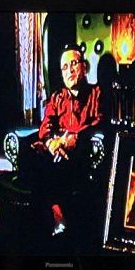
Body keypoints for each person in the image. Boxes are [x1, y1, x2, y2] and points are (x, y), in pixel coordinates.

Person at [26, 44, 102, 236]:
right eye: (65, 67)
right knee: (32, 155)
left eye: (73, 64)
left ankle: (55, 218)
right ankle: (55, 213)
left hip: (79, 153)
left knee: (57, 168)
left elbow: (97, 124)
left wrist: (70, 139)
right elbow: (46, 125)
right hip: (56, 150)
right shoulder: (57, 97)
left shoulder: (96, 94)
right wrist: (52, 143)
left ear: (84, 67)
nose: (69, 70)